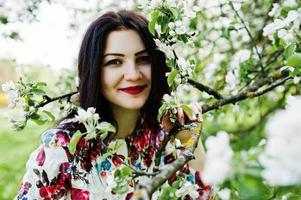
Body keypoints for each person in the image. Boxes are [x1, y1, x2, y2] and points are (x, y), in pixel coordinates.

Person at [16, 10, 212, 200]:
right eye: (115, 62)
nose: (134, 74)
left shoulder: (161, 134)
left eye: (143, 59)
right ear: (94, 71)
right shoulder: (63, 147)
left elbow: (201, 195)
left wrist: (190, 142)